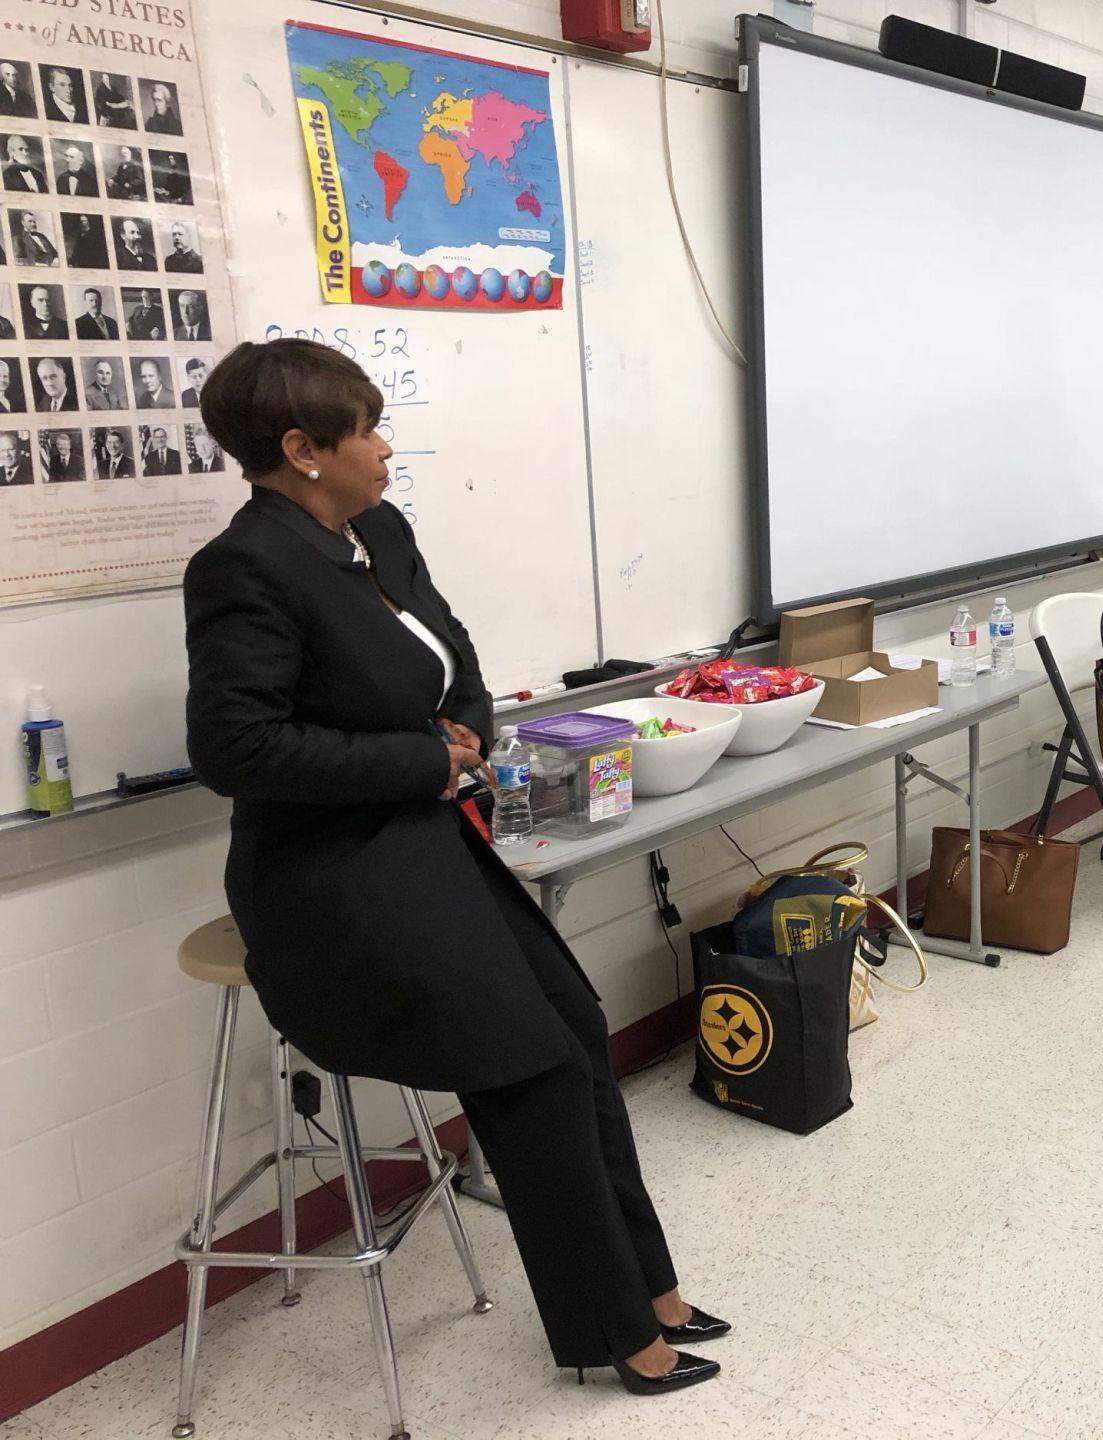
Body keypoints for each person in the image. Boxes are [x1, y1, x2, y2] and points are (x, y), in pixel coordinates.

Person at [183, 339, 728, 1396]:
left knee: (574, 1030)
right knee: (527, 1066)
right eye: (367, 430)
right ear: (300, 450)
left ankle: (648, 1289)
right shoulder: (245, 568)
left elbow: (453, 653)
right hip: (331, 874)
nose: (387, 449)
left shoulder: (375, 532)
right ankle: (620, 1332)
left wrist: (464, 733)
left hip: (426, 837)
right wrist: (419, 760)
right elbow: (235, 749)